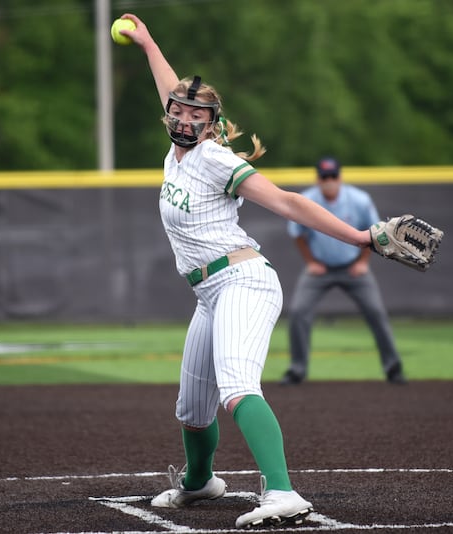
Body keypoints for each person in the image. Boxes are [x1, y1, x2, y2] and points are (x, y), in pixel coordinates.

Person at [118, 13, 395, 528]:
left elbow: (288, 203)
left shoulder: (214, 159)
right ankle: (200, 483)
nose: (182, 117)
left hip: (243, 280)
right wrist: (148, 43)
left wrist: (360, 237)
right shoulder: (176, 155)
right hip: (208, 292)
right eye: (177, 110)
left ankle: (284, 492)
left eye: (194, 114)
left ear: (212, 123)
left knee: (238, 386)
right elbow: (171, 91)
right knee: (191, 409)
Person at [281, 157, 407, 386]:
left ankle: (393, 368)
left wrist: (362, 262)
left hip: (352, 266)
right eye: (324, 177)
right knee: (298, 312)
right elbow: (297, 233)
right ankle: (297, 369)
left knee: (376, 312)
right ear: (318, 179)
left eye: (333, 176)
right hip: (320, 268)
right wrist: (310, 261)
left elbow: (376, 232)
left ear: (340, 177)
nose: (329, 181)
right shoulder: (308, 200)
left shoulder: (359, 199)